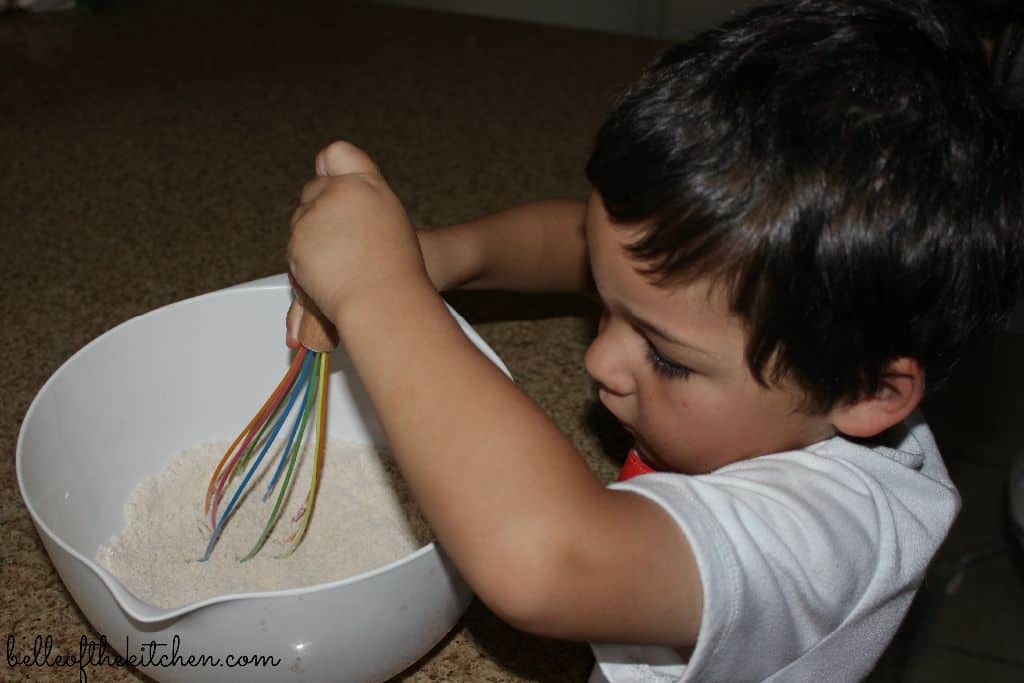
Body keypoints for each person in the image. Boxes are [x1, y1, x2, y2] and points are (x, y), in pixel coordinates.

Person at [284, 0, 1023, 679]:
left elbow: (546, 559)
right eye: (609, 306)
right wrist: (439, 256)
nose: (598, 360)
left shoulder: (827, 540)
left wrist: (380, 292)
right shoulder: (807, 340)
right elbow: (584, 240)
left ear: (871, 394)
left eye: (666, 355)